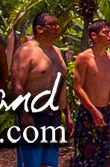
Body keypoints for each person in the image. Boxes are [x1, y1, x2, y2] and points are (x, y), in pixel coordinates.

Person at [12, 11, 68, 167]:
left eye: (58, 25)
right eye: (53, 25)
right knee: (31, 164)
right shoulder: (26, 51)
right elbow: (17, 85)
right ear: (39, 28)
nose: (57, 28)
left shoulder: (56, 52)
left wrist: (67, 114)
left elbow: (62, 85)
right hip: (34, 116)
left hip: (54, 117)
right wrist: (24, 115)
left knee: (49, 164)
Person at [70, 20, 110, 167]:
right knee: (87, 158)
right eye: (105, 32)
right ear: (94, 35)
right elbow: (77, 88)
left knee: (106, 157)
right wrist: (93, 111)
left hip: (106, 113)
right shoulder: (84, 58)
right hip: (88, 113)